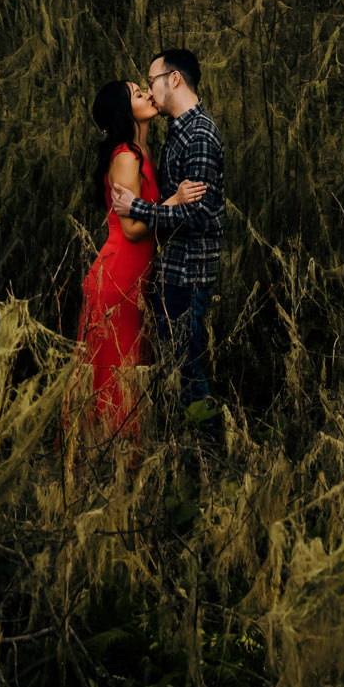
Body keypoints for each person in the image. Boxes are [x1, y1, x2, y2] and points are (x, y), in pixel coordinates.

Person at [108, 47, 224, 441]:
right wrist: (159, 205)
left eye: (153, 81)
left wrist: (141, 207)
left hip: (189, 275)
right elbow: (172, 205)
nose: (150, 90)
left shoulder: (201, 135)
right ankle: (183, 455)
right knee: (174, 370)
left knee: (187, 372)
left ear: (174, 79)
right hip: (169, 274)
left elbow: (196, 215)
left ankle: (206, 457)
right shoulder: (175, 133)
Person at [74, 76, 199, 443]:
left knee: (131, 368)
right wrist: (173, 203)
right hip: (117, 278)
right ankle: (108, 456)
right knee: (117, 370)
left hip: (136, 277)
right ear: (123, 111)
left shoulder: (144, 152)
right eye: (136, 92)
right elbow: (130, 228)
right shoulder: (127, 157)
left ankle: (122, 459)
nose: (146, 94)